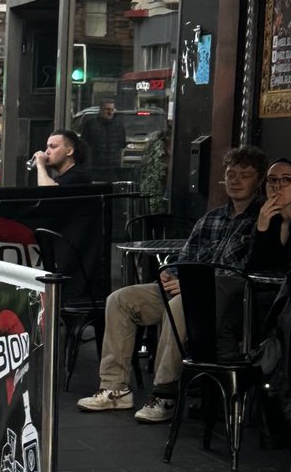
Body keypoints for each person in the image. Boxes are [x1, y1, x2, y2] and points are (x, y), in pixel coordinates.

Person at [77, 145, 268, 424]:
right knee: (120, 298)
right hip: (186, 285)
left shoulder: (261, 221)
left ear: (259, 180)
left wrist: (192, 284)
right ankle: (115, 387)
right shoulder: (211, 218)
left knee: (180, 305)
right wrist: (171, 273)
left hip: (224, 298)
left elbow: (244, 271)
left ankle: (164, 392)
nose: (235, 181)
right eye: (230, 174)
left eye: (245, 175)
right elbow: (185, 256)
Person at [249, 158, 291, 274]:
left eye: (286, 179)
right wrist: (262, 229)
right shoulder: (262, 215)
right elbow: (254, 268)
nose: (277, 186)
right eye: (272, 180)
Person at [81, 98, 127, 177]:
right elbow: (84, 145)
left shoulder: (119, 126)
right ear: (101, 110)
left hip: (113, 168)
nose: (110, 112)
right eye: (107, 109)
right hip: (95, 167)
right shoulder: (91, 125)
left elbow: (122, 144)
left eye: (112, 110)